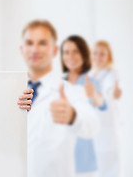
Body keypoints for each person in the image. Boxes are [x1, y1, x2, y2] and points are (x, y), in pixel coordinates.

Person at [20, 20, 100, 177]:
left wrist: (72, 116)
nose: (35, 49)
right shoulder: (14, 90)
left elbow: (93, 125)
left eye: (42, 43)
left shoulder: (70, 91)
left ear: (55, 51)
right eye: (29, 43)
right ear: (22, 49)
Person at [60, 35, 107, 177]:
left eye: (76, 51)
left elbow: (101, 103)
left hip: (84, 161)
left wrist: (93, 95)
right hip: (61, 157)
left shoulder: (90, 81)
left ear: (84, 54)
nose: (71, 56)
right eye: (66, 52)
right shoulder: (59, 83)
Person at [90, 40, 122, 177]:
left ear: (109, 56)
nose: (98, 57)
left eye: (102, 54)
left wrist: (113, 92)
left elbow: (111, 91)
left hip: (108, 133)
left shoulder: (111, 74)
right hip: (94, 132)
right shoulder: (90, 76)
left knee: (109, 170)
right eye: (95, 53)